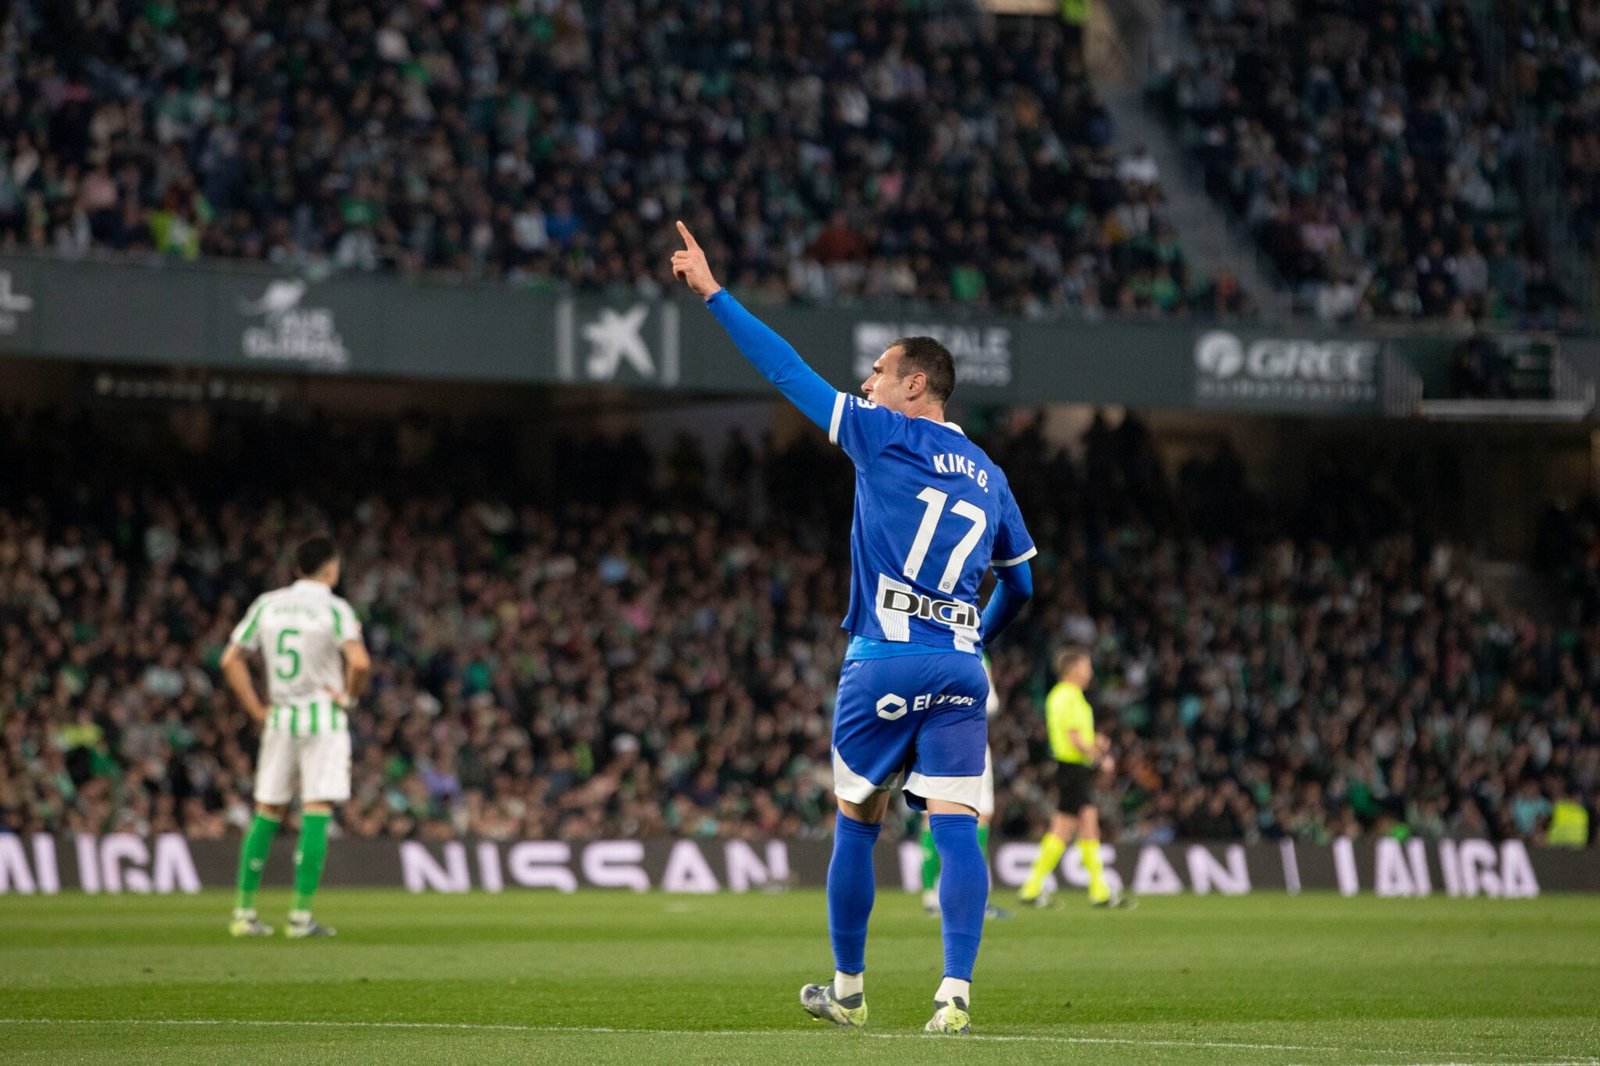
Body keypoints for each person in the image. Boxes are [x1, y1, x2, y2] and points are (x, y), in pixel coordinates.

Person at [673, 222, 1036, 1035]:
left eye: (878, 372)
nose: (865, 383)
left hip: (883, 660)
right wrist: (976, 635)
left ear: (916, 386)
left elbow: (784, 369)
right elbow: (1024, 584)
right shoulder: (992, 473)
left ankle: (847, 989)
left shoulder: (882, 433)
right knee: (957, 828)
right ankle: (955, 996)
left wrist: (713, 292)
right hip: (960, 666)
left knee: (856, 820)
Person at [221, 536, 371, 938]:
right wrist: (350, 698)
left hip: (280, 717)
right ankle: (300, 917)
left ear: (296, 568)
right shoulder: (335, 608)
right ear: (332, 569)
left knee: (267, 811)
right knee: (316, 808)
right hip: (322, 718)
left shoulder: (268, 604)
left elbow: (230, 659)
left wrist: (255, 709)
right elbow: (359, 661)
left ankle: (243, 914)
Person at [1018, 646, 1133, 909]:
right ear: (1073, 670)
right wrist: (1098, 754)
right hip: (1072, 769)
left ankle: (1033, 888)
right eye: (1086, 666)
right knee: (1086, 823)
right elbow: (1074, 739)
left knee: (1065, 827)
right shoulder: (1066, 696)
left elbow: (1078, 736)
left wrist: (1096, 743)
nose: (1090, 671)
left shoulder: (1070, 696)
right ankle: (1099, 892)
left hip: (1073, 769)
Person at [921, 655, 1010, 921]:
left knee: (931, 815)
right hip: (969, 741)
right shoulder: (973, 651)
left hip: (929, 740)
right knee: (979, 816)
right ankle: (972, 900)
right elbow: (990, 702)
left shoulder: (922, 647)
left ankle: (930, 894)